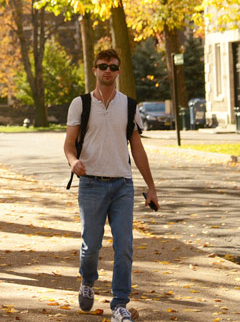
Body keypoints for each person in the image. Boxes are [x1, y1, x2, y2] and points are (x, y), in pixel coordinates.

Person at [64, 49, 159, 322]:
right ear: (94, 70)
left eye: (113, 67)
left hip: (122, 186)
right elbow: (69, 144)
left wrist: (151, 186)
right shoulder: (80, 104)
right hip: (91, 185)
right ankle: (88, 281)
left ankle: (119, 304)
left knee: (125, 246)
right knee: (90, 246)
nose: (108, 70)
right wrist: (73, 162)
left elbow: (138, 150)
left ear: (118, 72)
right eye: (103, 66)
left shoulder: (129, 106)